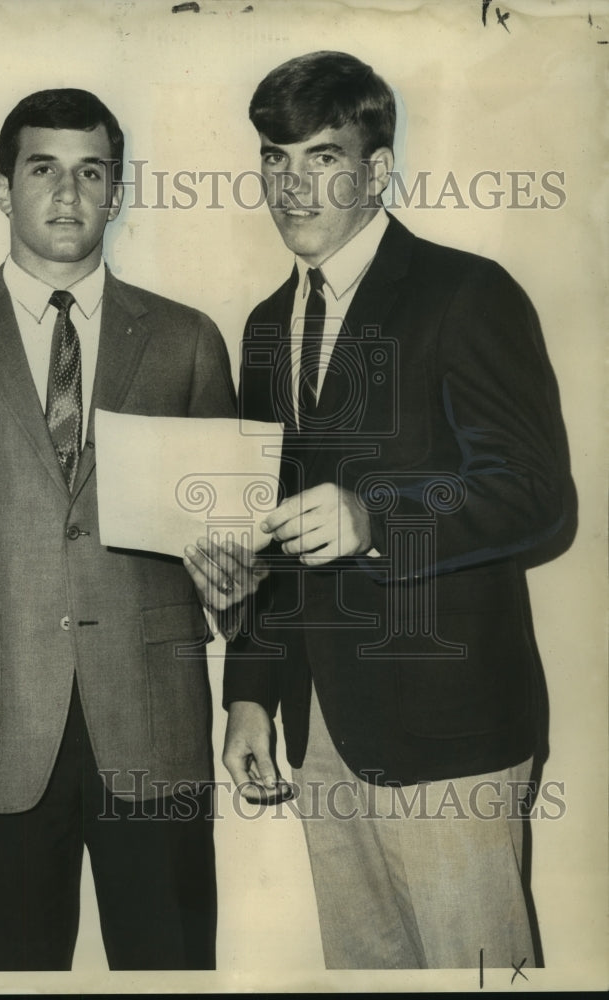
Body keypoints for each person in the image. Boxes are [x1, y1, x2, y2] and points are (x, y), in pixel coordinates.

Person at [185, 51, 576, 970]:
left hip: (453, 738)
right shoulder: (263, 327)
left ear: (378, 169)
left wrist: (375, 521)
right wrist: (247, 692)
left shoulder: (466, 292)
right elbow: (268, 530)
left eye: (321, 156)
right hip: (321, 733)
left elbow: (537, 497)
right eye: (274, 160)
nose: (291, 185)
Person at [0, 88, 238, 972]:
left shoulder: (186, 341)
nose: (68, 194)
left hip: (155, 731)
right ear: (3, 189)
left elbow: (229, 550)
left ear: (116, 192)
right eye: (43, 169)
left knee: (173, 973)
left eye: (90, 171)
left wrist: (240, 583)